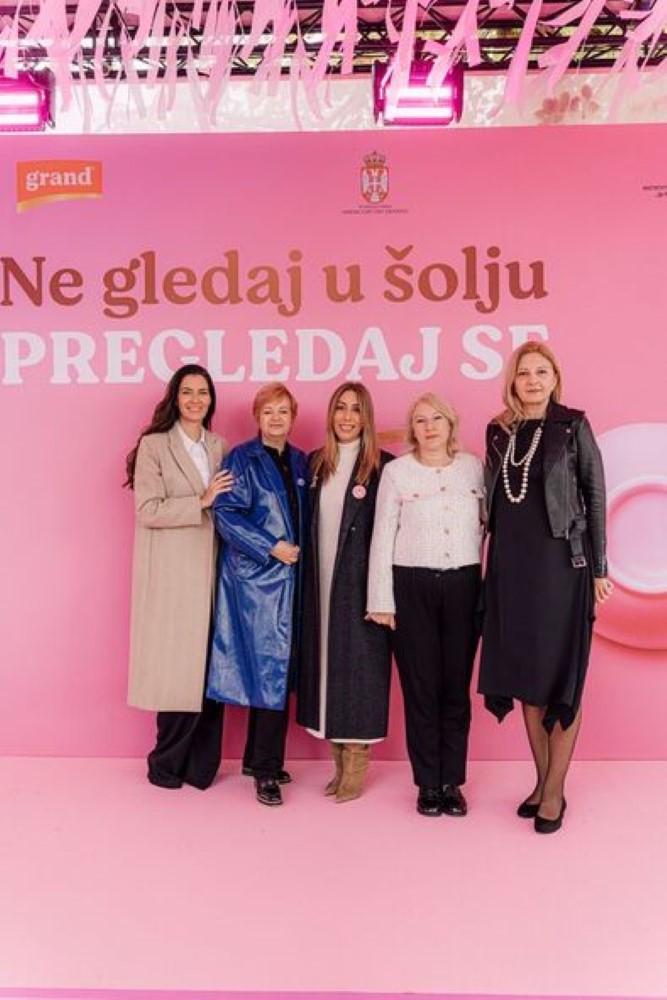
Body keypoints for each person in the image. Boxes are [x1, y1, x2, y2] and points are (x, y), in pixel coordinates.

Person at [478, 341, 613, 834]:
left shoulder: (573, 425)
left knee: (560, 678)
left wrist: (599, 568)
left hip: (560, 566)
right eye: (524, 373)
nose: (532, 381)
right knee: (527, 678)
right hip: (510, 568)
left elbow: (595, 495)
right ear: (512, 382)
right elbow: (491, 499)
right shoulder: (499, 430)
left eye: (541, 372)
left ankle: (554, 791)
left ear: (555, 378)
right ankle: (541, 782)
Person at [367, 393, 484, 818]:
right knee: (420, 688)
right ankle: (428, 784)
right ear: (412, 429)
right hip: (411, 585)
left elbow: (491, 526)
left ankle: (452, 782)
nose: (430, 426)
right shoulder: (396, 473)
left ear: (451, 424)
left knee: (455, 688)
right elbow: (382, 537)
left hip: (464, 585)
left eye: (437, 418)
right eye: (420, 420)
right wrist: (381, 600)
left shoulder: (473, 467)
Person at [126, 364, 233, 789]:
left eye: (202, 392)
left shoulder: (219, 446)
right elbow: (147, 510)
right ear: (175, 397)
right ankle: (166, 765)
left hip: (215, 570)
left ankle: (201, 768)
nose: (195, 400)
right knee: (177, 670)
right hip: (173, 574)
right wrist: (201, 500)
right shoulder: (154, 446)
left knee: (211, 670)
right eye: (187, 392)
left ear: (211, 400)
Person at [207, 382, 308, 807]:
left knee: (278, 670)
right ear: (257, 417)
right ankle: (266, 770)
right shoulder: (240, 459)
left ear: (293, 417)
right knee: (270, 671)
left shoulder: (301, 460)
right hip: (257, 582)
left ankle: (256, 758)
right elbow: (225, 513)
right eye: (268, 411)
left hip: (291, 580)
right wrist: (270, 546)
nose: (276, 418)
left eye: (283, 411)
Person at [297, 382, 393, 803]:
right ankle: (337, 761)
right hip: (319, 582)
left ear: (366, 417)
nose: (347, 417)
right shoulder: (317, 463)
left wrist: (383, 594)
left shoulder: (383, 467)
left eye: (356, 409)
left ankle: (356, 762)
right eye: (340, 408)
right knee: (326, 670)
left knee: (360, 670)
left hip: (361, 584)